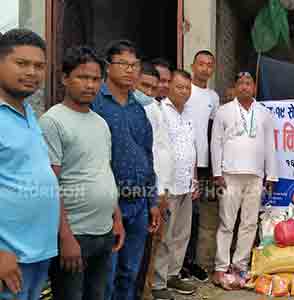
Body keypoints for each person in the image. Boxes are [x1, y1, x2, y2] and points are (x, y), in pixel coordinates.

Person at [39, 46, 124, 300]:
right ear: (65, 78)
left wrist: (116, 218)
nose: (90, 85)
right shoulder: (53, 121)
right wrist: (64, 236)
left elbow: (104, 172)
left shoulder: (100, 123)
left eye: (96, 79)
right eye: (82, 77)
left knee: (98, 295)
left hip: (103, 232)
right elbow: (50, 184)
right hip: (74, 235)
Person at [91, 40, 161, 300]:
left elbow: (147, 155)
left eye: (135, 65)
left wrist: (152, 201)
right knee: (105, 278)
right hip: (108, 203)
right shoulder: (96, 104)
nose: (131, 70)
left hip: (139, 204)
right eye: (124, 64)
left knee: (129, 274)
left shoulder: (138, 109)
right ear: (108, 67)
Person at [0, 28, 60, 300]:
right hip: (8, 258)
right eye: (21, 63)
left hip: (38, 252)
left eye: (39, 66)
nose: (32, 72)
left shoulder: (28, 113)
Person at [211, 71, 278, 290]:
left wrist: (272, 174)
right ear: (234, 88)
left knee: (249, 223)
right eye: (240, 83)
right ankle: (221, 267)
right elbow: (216, 143)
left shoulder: (264, 113)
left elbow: (270, 145)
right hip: (229, 174)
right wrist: (217, 173)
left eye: (248, 83)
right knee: (226, 222)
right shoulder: (223, 111)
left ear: (254, 88)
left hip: (256, 175)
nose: (244, 87)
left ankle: (239, 266)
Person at [151, 70, 199, 299]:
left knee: (182, 234)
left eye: (187, 88)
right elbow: (157, 150)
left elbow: (192, 148)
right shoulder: (159, 111)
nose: (184, 91)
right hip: (167, 185)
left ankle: (173, 275)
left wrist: (195, 178)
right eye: (180, 87)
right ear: (169, 86)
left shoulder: (189, 113)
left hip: (187, 184)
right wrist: (159, 187)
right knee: (164, 237)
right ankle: (158, 283)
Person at [133, 62, 174, 300]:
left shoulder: (156, 107)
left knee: (154, 245)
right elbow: (147, 154)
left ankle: (147, 290)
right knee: (142, 248)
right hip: (149, 189)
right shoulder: (140, 109)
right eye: (144, 86)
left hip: (162, 188)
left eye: (152, 86)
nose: (148, 91)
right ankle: (142, 292)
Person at [179, 50, 220, 283]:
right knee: (180, 214)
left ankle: (190, 262)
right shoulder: (185, 89)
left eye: (209, 65)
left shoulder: (213, 97)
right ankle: (178, 264)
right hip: (182, 160)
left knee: (196, 215)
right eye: (201, 64)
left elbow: (213, 130)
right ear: (193, 66)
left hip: (202, 163)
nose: (205, 68)